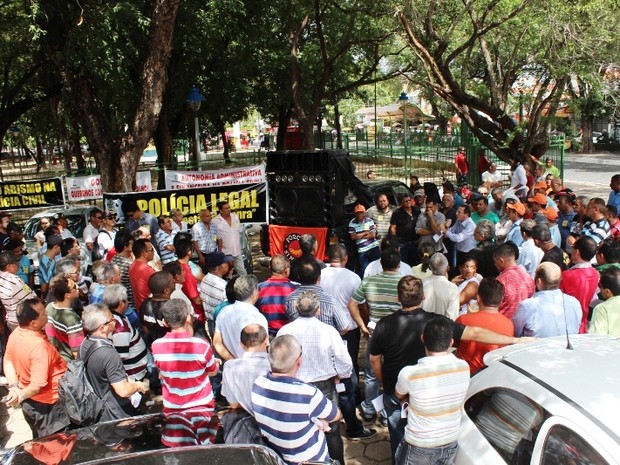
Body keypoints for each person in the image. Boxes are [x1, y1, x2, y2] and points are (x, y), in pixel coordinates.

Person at [277, 290, 354, 460]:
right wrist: (341, 374)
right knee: (332, 431)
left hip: (294, 387)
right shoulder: (328, 331)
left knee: (300, 428)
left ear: (296, 307)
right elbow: (344, 360)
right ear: (318, 310)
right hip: (324, 387)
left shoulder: (284, 331)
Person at [251, 335, 341, 465]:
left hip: (276, 457)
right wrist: (319, 422)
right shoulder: (307, 394)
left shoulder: (258, 385)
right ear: (299, 361)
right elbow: (335, 415)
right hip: (313, 460)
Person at [394, 317, 470, 465]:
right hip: (450, 440)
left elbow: (399, 394)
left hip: (420, 445)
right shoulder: (463, 367)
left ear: (423, 338)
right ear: (451, 342)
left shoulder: (409, 373)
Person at [152, 299, 220, 447]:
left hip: (172, 411)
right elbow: (213, 372)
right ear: (188, 318)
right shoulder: (201, 345)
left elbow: (163, 372)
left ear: (164, 322)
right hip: (202, 409)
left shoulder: (156, 346)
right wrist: (216, 364)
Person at [3, 298, 70, 438]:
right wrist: (18, 395)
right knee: (57, 447)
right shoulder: (38, 346)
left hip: (30, 404)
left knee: (40, 441)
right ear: (33, 323)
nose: (47, 314)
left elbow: (7, 360)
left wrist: (14, 386)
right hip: (48, 407)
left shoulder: (16, 333)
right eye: (43, 314)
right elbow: (35, 386)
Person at [79, 304, 148, 422]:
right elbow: (123, 391)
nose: (115, 320)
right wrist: (138, 385)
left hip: (96, 406)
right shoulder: (109, 354)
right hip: (114, 412)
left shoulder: (85, 343)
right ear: (102, 328)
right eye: (111, 319)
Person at [456, 278, 513, 375]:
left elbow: (454, 343)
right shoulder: (509, 324)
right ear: (501, 300)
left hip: (464, 375)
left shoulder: (463, 320)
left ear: (478, 298)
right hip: (490, 377)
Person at [513, 262, 581, 337]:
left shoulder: (527, 306)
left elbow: (516, 334)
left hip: (536, 348)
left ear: (539, 282)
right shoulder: (574, 302)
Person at [285, 257, 350, 333]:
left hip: (297, 342)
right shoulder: (330, 301)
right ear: (319, 278)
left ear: (298, 277)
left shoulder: (290, 299)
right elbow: (344, 327)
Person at [213, 275, 268, 360]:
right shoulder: (258, 318)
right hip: (254, 367)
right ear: (254, 294)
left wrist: (233, 361)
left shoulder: (223, 312)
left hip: (232, 365)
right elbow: (264, 347)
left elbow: (217, 343)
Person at [221, 324, 270, 414]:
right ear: (267, 340)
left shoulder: (229, 367)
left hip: (245, 423)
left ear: (241, 345)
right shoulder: (273, 366)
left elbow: (233, 404)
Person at [103, 284, 148, 381]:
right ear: (121, 303)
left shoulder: (110, 316)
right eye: (126, 300)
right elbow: (120, 357)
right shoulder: (120, 328)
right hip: (132, 375)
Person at [560, 236, 599, 333]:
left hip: (566, 323)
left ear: (577, 252)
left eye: (572, 248)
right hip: (584, 325)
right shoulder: (595, 274)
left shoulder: (567, 275)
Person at [45, 274, 84, 362]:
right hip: (67, 361)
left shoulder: (49, 307)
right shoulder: (72, 319)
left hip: (53, 356)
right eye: (74, 286)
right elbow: (77, 351)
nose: (77, 287)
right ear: (67, 295)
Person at [255, 254, 296, 338]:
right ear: (286, 271)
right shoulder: (294, 290)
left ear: (270, 268)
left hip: (266, 335)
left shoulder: (258, 289)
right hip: (288, 336)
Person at [494, 243, 535, 319]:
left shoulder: (500, 281)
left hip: (504, 325)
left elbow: (493, 307)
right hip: (524, 325)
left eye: (495, 261)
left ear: (501, 261)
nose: (495, 264)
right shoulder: (528, 278)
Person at [0, 251, 36, 331]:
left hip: (10, 320)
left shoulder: (1, 276)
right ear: (9, 266)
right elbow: (32, 299)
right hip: (21, 320)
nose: (18, 265)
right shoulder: (13, 280)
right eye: (16, 263)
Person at [199, 251, 234, 334]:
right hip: (221, 324)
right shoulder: (223, 286)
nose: (228, 264)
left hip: (210, 322)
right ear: (220, 267)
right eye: (226, 263)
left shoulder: (205, 279)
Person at [141, 271, 175, 347]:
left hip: (154, 345)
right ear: (166, 291)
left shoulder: (145, 304)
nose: (175, 282)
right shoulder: (172, 308)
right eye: (173, 282)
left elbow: (145, 329)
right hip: (171, 348)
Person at [212, 201, 246, 276]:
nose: (229, 209)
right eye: (226, 208)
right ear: (221, 210)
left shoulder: (235, 217)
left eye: (229, 207)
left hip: (236, 251)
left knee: (242, 272)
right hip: (225, 253)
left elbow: (239, 230)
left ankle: (247, 286)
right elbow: (214, 238)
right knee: (224, 274)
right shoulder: (215, 221)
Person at [422, 253, 460, 320]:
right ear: (448, 268)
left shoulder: (421, 283)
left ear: (430, 268)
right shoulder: (453, 289)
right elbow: (452, 318)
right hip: (442, 329)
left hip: (422, 328)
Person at [349, 204, 380, 276]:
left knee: (378, 268)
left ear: (364, 213)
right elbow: (353, 237)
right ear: (355, 214)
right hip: (362, 250)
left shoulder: (369, 221)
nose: (359, 214)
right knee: (365, 271)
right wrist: (365, 233)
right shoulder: (352, 223)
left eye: (361, 212)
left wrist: (359, 235)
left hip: (373, 248)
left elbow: (373, 235)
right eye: (357, 213)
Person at [389, 194, 420, 266]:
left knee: (415, 264)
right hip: (403, 244)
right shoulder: (397, 213)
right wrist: (395, 242)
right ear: (402, 203)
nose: (408, 202)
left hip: (415, 242)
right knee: (404, 264)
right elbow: (393, 227)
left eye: (409, 200)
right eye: (405, 201)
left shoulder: (416, 210)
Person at [589, 267, 620, 336]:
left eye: (600, 286)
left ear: (607, 291)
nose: (599, 289)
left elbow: (596, 338)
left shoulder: (601, 309)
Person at [128, 239, 156, 313]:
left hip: (140, 309)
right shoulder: (148, 270)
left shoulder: (132, 266)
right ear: (145, 253)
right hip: (151, 309)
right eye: (152, 250)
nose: (154, 252)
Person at [39, 234, 62, 298]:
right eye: (61, 247)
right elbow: (44, 288)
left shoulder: (49, 259)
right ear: (56, 247)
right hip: (49, 297)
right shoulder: (46, 264)